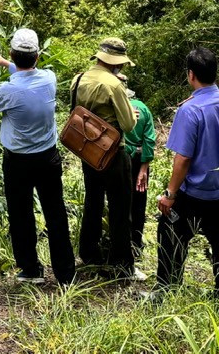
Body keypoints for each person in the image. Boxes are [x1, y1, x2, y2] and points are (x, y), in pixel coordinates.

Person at [0, 27, 75, 286]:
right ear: (38, 56)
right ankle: (66, 275)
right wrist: (6, 63)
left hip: (18, 160)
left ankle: (31, 269)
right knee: (55, 213)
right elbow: (27, 75)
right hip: (48, 157)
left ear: (12, 53)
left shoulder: (7, 90)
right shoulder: (49, 79)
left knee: (21, 214)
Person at [155, 46, 219, 307]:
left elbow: (183, 158)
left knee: (170, 232)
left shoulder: (190, 110)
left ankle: (167, 290)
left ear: (191, 75)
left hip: (195, 193)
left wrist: (170, 194)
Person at [71, 36, 140, 279]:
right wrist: (133, 113)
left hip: (88, 151)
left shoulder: (79, 79)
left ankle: (89, 254)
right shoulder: (114, 84)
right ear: (117, 62)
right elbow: (129, 124)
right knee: (120, 207)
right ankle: (122, 264)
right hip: (113, 152)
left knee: (93, 202)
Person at [118, 74, 156, 261]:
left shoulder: (113, 108)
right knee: (139, 202)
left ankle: (119, 244)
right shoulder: (142, 108)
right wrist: (144, 167)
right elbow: (150, 138)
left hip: (119, 159)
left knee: (120, 201)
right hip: (140, 161)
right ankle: (136, 243)